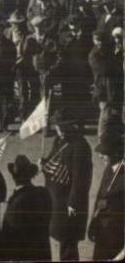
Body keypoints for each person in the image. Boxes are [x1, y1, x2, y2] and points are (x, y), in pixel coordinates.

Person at [39, 108, 93, 261]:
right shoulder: (59, 140)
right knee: (62, 237)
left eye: (63, 127)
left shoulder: (80, 146)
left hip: (70, 202)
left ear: (71, 126)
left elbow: (81, 178)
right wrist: (44, 163)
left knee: (68, 240)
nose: (60, 131)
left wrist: (73, 202)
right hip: (56, 199)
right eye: (58, 127)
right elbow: (52, 160)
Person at [0, 155, 52, 262]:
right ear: (31, 175)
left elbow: (10, 233)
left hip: (22, 255)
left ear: (14, 177)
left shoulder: (18, 201)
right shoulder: (43, 194)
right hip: (42, 253)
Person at [88, 123, 125, 260]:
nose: (100, 156)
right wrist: (92, 223)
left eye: (104, 153)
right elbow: (99, 199)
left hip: (117, 238)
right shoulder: (108, 169)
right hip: (102, 234)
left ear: (115, 153)